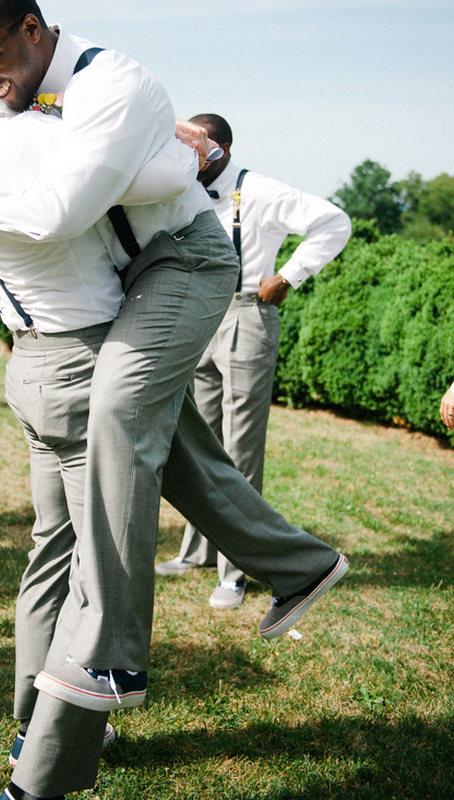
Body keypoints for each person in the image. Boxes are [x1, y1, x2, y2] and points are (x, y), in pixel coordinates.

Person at [0, 0, 348, 800]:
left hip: (177, 269)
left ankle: (101, 671)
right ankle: (297, 564)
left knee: (121, 438)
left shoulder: (104, 87)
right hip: (95, 317)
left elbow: (90, 203)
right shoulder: (9, 116)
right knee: (158, 462)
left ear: (32, 28)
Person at [156, 114, 352, 609]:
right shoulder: (184, 188)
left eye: (194, 152)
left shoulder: (260, 190)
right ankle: (196, 551)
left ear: (217, 149)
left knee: (241, 447)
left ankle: (236, 572)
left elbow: (334, 221)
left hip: (247, 315)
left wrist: (288, 276)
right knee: (202, 442)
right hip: (196, 316)